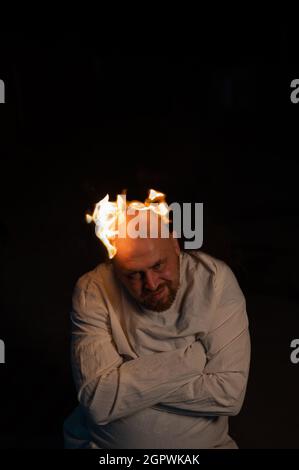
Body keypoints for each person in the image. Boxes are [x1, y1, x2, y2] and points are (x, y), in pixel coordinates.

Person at [64, 206, 250, 449]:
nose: (151, 284)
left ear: (175, 245)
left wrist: (124, 384)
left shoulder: (214, 280)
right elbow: (98, 401)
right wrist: (192, 360)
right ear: (115, 266)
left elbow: (229, 394)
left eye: (159, 266)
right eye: (133, 275)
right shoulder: (93, 289)